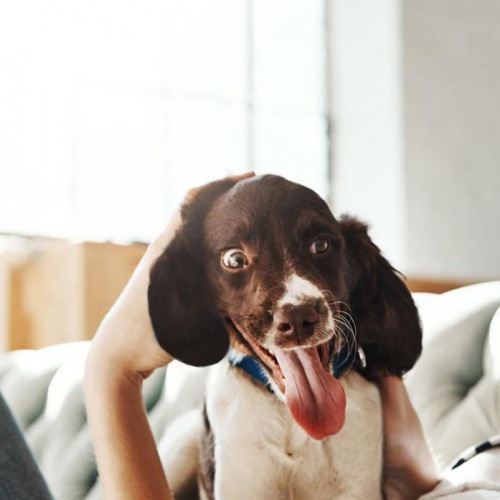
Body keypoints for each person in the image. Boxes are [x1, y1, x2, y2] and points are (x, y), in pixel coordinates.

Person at [1, 173, 499, 499]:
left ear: (350, 260)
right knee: (183, 443)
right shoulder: (219, 405)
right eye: (236, 260)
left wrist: (423, 484)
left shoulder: (367, 397)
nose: (295, 304)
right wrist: (112, 364)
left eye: (321, 245)